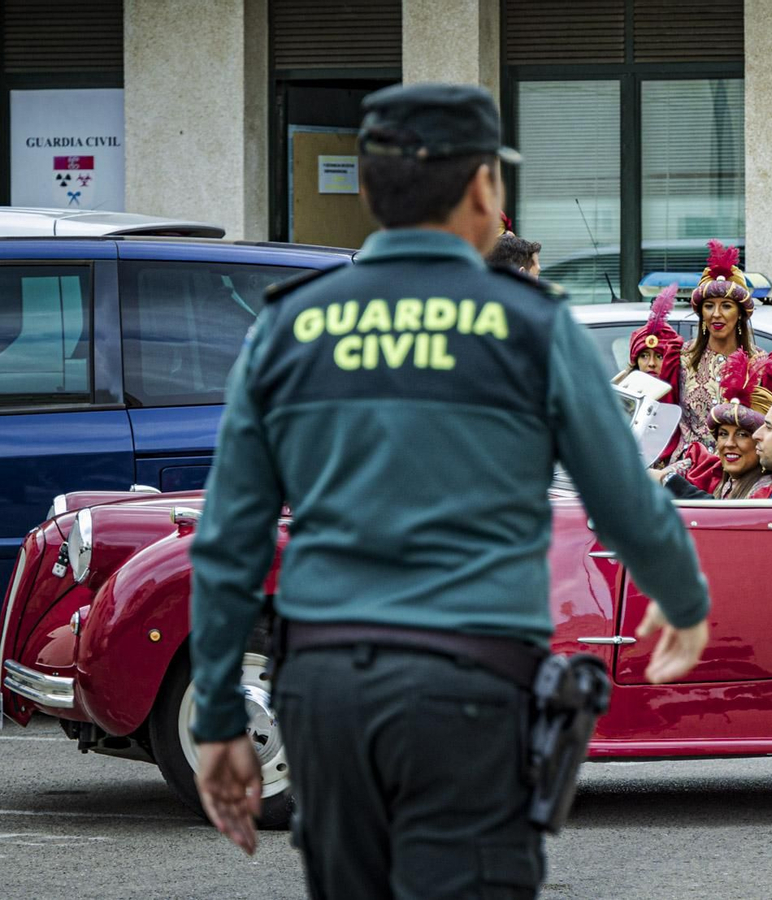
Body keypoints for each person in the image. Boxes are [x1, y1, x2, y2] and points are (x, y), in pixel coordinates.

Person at [185, 83, 711, 898]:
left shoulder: (289, 325)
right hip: (469, 684)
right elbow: (626, 498)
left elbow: (228, 538)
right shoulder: (530, 323)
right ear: (482, 190)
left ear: (366, 191)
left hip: (326, 690)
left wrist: (218, 714)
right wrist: (681, 599)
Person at [677, 239, 763, 457]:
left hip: (741, 471)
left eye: (726, 306)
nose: (716, 314)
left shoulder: (760, 363)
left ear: (740, 313)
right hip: (689, 469)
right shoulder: (681, 358)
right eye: (708, 306)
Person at [657, 349, 772, 500]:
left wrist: (669, 481)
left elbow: (729, 520)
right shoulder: (724, 480)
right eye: (723, 434)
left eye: (742, 434)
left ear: (761, 441)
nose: (729, 443)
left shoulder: (767, 490)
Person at [614, 285, 684, 465]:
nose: (651, 363)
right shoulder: (625, 395)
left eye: (659, 356)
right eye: (644, 356)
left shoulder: (684, 394)